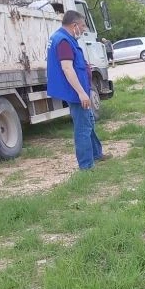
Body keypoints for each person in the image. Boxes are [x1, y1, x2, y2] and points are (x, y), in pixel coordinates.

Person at [46, 10, 106, 170]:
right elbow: (67, 68)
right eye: (83, 26)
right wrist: (81, 93)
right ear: (74, 25)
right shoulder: (64, 41)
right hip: (75, 92)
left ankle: (96, 154)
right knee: (83, 128)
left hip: (78, 89)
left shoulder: (62, 38)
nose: (84, 29)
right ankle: (86, 166)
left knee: (89, 121)